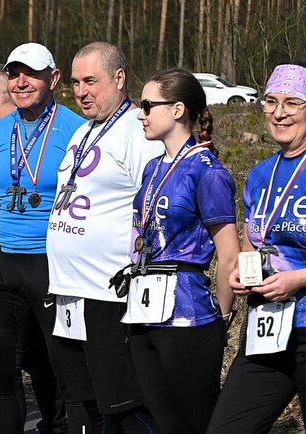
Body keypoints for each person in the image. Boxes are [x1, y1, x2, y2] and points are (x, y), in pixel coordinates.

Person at [206, 62, 306, 434]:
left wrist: (303, 277)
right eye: (271, 101)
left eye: (292, 103)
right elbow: (251, 247)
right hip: (268, 327)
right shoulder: (260, 175)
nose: (278, 113)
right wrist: (242, 273)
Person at [45, 41, 162, 433]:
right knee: (85, 406)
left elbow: (155, 209)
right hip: (69, 292)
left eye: (90, 81)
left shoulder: (136, 133)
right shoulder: (82, 132)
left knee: (125, 407)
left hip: (109, 295)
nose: (81, 91)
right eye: (75, 82)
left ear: (119, 78)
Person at [120, 67, 240, 433]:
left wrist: (222, 318)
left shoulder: (207, 172)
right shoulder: (152, 168)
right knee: (164, 421)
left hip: (188, 313)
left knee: (195, 422)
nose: (140, 114)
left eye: (147, 105)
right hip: (143, 310)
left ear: (176, 110)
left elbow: (229, 255)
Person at [0, 43, 84, 434]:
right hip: (4, 260)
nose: (21, 82)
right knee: (0, 369)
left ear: (53, 78)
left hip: (50, 263)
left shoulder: (75, 129)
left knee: (58, 367)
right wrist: (8, 236)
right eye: (14, 73)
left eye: (32, 73)